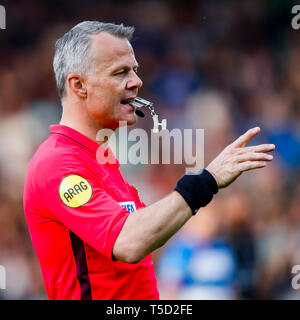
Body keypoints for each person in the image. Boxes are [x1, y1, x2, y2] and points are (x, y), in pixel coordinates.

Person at [23, 21, 275, 300]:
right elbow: (128, 242)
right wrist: (208, 180)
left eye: (134, 70)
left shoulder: (100, 159)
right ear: (79, 85)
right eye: (120, 72)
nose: (137, 81)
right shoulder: (57, 164)